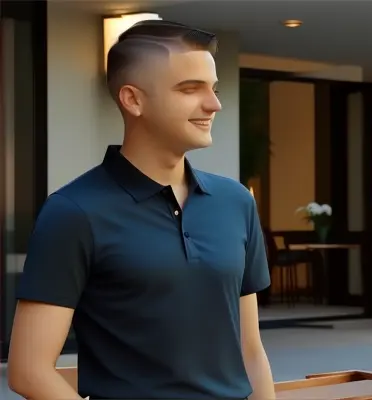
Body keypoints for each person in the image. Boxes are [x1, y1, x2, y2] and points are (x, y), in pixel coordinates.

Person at [7, 20, 275, 400]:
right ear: (133, 100)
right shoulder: (73, 212)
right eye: (189, 89)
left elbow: (250, 350)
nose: (214, 104)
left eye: (213, 89)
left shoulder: (236, 203)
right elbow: (29, 371)